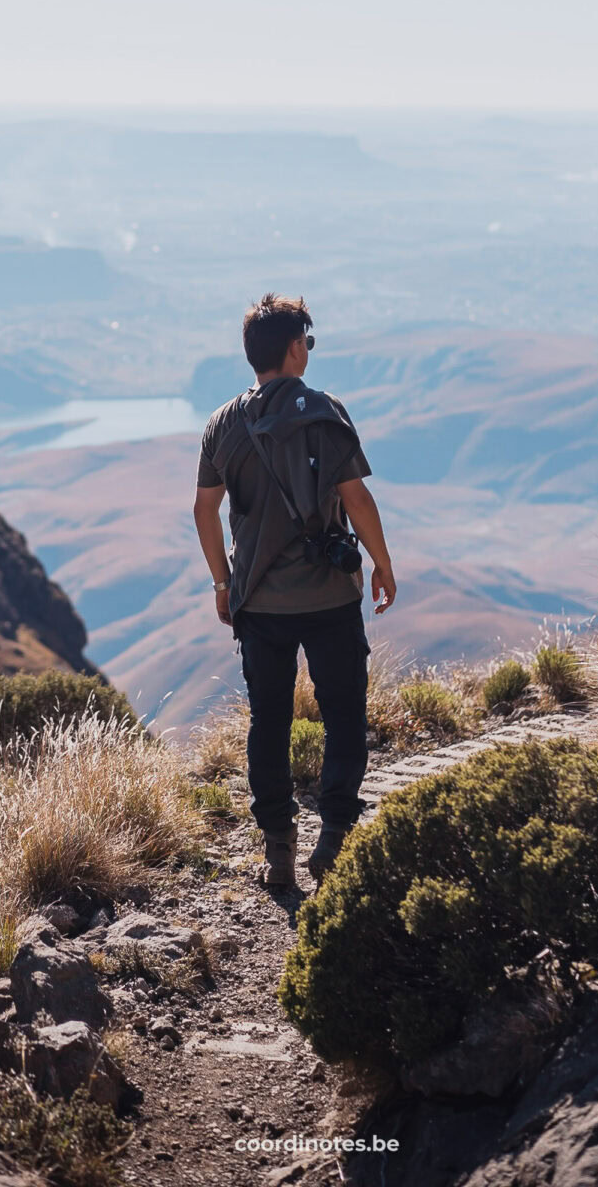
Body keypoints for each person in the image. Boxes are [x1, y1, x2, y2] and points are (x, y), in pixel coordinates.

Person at [193, 293, 397, 889]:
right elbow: (355, 498)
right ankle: (334, 834)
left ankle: (278, 846)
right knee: (343, 715)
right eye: (307, 340)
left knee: (270, 720)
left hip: (258, 601)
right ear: (292, 347)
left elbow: (205, 510)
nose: (308, 349)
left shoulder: (223, 424)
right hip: (331, 596)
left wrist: (222, 581)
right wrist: (382, 564)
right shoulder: (324, 412)